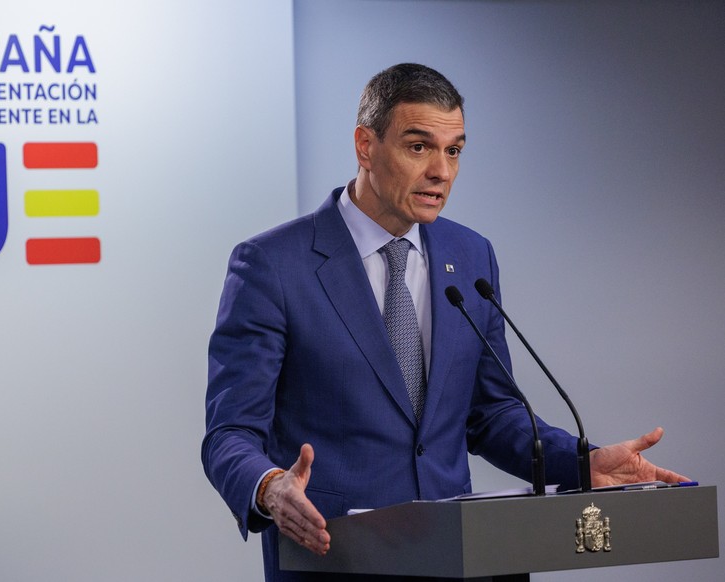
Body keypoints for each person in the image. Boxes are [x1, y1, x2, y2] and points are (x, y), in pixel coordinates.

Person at [201, 63, 688, 582]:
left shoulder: (471, 255)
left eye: (453, 150)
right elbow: (229, 433)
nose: (442, 171)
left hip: (461, 560)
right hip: (334, 559)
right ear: (365, 145)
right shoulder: (273, 265)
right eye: (419, 147)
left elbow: (491, 412)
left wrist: (582, 462)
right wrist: (271, 485)